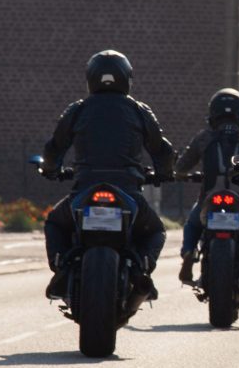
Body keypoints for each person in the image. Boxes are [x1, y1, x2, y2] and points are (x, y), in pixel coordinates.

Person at [41, 50, 174, 300]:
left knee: (55, 223)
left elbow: (54, 147)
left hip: (85, 189)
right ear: (127, 79)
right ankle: (142, 268)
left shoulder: (78, 110)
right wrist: (164, 173)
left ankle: (60, 268)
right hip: (128, 192)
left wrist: (51, 169)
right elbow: (161, 149)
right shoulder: (138, 110)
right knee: (155, 230)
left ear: (90, 78)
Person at [174, 88, 239, 285]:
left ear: (213, 113)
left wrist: (182, 174)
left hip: (209, 199)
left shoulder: (204, 138)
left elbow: (181, 167)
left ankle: (189, 252)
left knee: (192, 224)